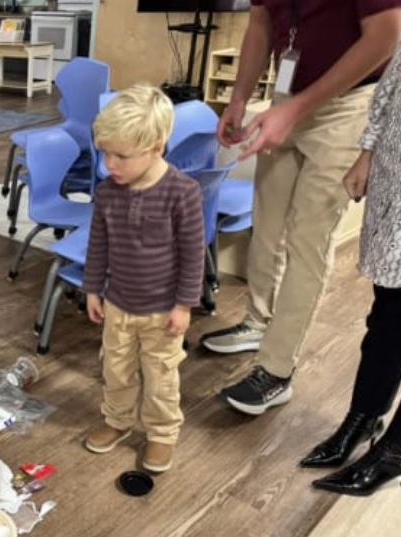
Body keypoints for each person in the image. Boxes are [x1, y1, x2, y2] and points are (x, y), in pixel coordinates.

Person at [198, 0, 401, 415]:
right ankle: (258, 321)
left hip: (347, 104)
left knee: (308, 239)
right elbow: (260, 22)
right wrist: (239, 98)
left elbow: (386, 34)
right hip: (285, 94)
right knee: (267, 224)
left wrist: (295, 108)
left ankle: (276, 370)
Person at [82, 84, 205, 474]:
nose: (109, 164)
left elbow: (192, 255)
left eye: (121, 155)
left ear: (156, 148)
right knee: (115, 370)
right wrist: (91, 288)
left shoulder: (182, 193)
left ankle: (161, 433)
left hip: (163, 312)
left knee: (161, 378)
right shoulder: (107, 192)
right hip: (118, 304)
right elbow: (98, 243)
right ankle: (117, 421)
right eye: (105, 153)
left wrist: (184, 305)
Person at [300, 44, 401, 496]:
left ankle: (396, 450)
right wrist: (368, 151)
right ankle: (363, 417)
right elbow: (392, 86)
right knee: (387, 313)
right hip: (395, 176)